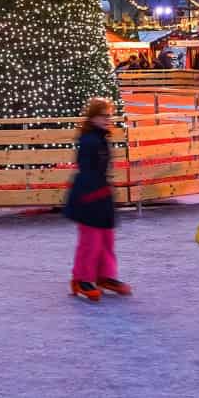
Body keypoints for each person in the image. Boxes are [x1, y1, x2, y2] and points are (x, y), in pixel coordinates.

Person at [63, 97, 128, 302]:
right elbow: (87, 169)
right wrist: (93, 193)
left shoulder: (100, 138)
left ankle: (104, 275)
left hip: (102, 194)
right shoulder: (89, 140)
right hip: (89, 196)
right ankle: (82, 279)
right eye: (103, 116)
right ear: (93, 118)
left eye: (109, 116)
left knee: (106, 238)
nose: (108, 119)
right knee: (90, 241)